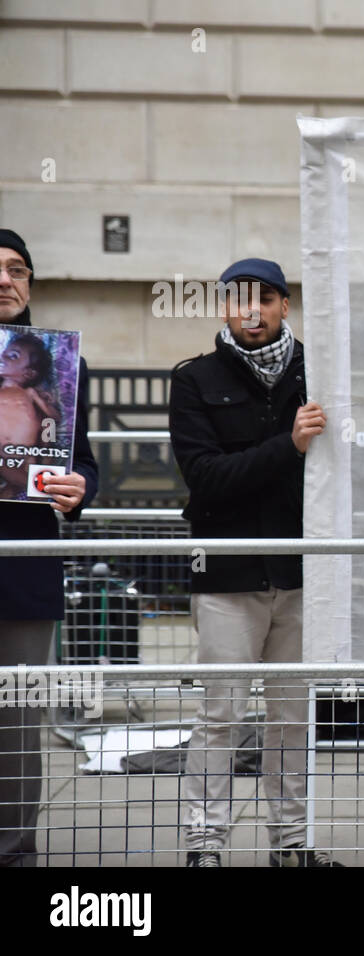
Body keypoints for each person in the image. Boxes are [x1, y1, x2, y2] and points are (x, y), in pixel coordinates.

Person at [169, 257, 339, 867]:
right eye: (239, 299)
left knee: (293, 721)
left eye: (264, 299)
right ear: (222, 308)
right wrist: (286, 446)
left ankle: (291, 846)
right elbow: (206, 479)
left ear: (284, 306)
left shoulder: (321, 373)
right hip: (228, 573)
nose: (251, 310)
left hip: (302, 571)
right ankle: (205, 846)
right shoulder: (193, 379)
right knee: (220, 716)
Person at [0, 228, 97, 866]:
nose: (5, 281)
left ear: (31, 283)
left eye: (16, 270)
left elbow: (81, 463)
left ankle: (12, 851)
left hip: (24, 570)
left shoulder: (63, 367)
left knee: (16, 728)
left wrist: (77, 487)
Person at [0, 331, 61, 499]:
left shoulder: (30, 393)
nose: (2, 358)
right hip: (3, 457)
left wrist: (50, 405)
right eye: (2, 354)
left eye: (12, 356)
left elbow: (53, 418)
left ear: (29, 373)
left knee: (30, 487)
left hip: (25, 455)